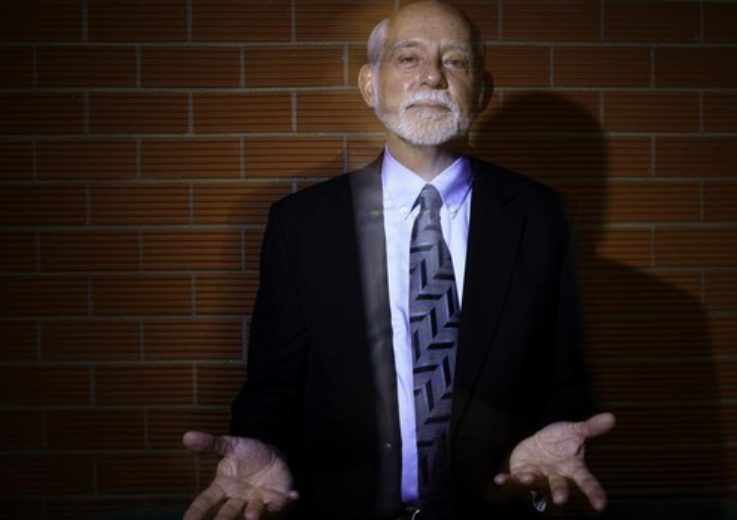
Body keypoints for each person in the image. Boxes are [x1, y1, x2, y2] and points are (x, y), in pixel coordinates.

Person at [182, 2, 615, 519]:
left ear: (482, 91)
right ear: (370, 85)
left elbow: (563, 377)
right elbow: (273, 385)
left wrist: (554, 439)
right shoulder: (301, 225)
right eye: (408, 58)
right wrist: (264, 445)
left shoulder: (540, 217)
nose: (432, 76)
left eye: (454, 61)